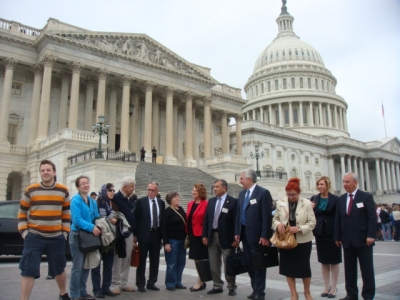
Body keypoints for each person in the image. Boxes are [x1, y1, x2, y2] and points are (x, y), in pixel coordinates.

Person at [18, 159, 71, 300]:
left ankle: (63, 293)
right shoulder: (30, 190)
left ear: (54, 172)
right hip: (34, 236)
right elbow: (22, 212)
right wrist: (24, 232)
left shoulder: (63, 190)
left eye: (48, 170)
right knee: (28, 270)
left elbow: (66, 213)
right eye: (42, 170)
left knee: (59, 269)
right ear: (40, 172)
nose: (45, 173)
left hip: (56, 236)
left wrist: (65, 233)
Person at [334, 172, 376, 300]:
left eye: (347, 182)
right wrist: (337, 236)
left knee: (367, 269)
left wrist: (371, 235)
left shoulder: (366, 197)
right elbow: (338, 219)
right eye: (344, 182)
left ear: (355, 183)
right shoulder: (341, 199)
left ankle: (368, 295)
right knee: (349, 270)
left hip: (364, 240)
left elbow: (372, 218)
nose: (344, 184)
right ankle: (351, 294)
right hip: (347, 240)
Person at [272, 177, 316, 300]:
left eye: (293, 195)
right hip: (286, 240)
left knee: (304, 268)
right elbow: (274, 219)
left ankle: (307, 292)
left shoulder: (306, 203)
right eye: (289, 194)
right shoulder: (281, 202)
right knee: (288, 268)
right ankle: (293, 294)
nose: (291, 197)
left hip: (302, 241)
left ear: (299, 193)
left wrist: (299, 228)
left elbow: (312, 223)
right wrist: (278, 225)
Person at [234, 169, 273, 300]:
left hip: (258, 236)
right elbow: (239, 214)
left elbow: (266, 217)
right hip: (244, 235)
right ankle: (254, 288)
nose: (240, 181)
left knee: (259, 264)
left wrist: (265, 236)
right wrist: (237, 232)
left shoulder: (263, 193)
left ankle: (260, 292)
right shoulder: (242, 194)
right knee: (249, 263)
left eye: (241, 178)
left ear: (249, 179)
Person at [202, 179, 238, 296]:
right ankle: (217, 285)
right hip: (212, 235)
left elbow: (236, 221)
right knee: (213, 263)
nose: (215, 189)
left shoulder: (233, 201)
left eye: (217, 187)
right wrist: (205, 235)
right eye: (214, 187)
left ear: (224, 188)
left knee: (228, 263)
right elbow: (206, 219)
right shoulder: (211, 201)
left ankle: (231, 286)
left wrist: (236, 238)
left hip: (227, 237)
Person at [69, 176, 99, 300]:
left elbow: (96, 216)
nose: (86, 185)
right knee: (77, 267)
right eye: (83, 184)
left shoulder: (93, 201)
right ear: (78, 187)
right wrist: (92, 227)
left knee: (86, 265)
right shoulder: (75, 200)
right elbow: (76, 220)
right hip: (77, 236)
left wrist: (99, 224)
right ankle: (75, 294)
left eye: (87, 183)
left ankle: (82, 291)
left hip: (88, 237)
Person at [311, 176, 341, 298]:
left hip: (332, 233)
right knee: (323, 261)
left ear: (327, 185)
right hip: (320, 232)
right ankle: (326, 286)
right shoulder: (314, 198)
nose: (320, 186)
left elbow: (339, 217)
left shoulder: (335, 199)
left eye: (322, 184)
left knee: (334, 261)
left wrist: (339, 235)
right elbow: (311, 215)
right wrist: (310, 208)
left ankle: (334, 287)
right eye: (318, 184)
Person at [135, 182, 165, 292]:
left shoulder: (161, 203)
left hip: (156, 234)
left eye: (152, 190)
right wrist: (135, 235)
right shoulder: (140, 202)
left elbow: (161, 219)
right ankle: (140, 284)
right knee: (142, 261)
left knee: (155, 260)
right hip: (144, 235)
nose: (150, 192)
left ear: (157, 191)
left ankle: (152, 282)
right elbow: (136, 219)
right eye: (148, 190)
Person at [110, 177, 137, 295]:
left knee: (127, 259)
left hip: (130, 233)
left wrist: (135, 234)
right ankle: (115, 283)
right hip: (120, 233)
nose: (133, 189)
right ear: (125, 187)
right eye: (132, 186)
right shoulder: (116, 198)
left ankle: (123, 283)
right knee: (118, 259)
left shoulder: (129, 199)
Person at [91, 183, 118, 298]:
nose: (112, 192)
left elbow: (119, 219)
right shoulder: (96, 203)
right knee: (96, 265)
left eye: (113, 190)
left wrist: (116, 221)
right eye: (109, 190)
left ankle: (106, 288)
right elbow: (92, 218)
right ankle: (96, 289)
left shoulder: (114, 205)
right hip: (98, 238)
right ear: (103, 191)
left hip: (110, 240)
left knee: (108, 265)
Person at [161, 192, 187, 291]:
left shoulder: (181, 209)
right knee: (172, 263)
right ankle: (170, 283)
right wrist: (166, 243)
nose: (177, 198)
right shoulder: (167, 212)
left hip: (182, 240)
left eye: (178, 197)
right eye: (175, 197)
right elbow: (163, 228)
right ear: (170, 200)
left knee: (181, 262)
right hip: (172, 240)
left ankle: (178, 282)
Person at [187, 183, 209, 292]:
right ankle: (202, 280)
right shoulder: (190, 203)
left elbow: (207, 221)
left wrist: (205, 235)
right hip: (192, 235)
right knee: (196, 258)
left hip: (201, 235)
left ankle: (200, 281)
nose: (193, 192)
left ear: (201, 192)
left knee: (200, 259)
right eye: (192, 190)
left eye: (195, 190)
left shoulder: (206, 204)